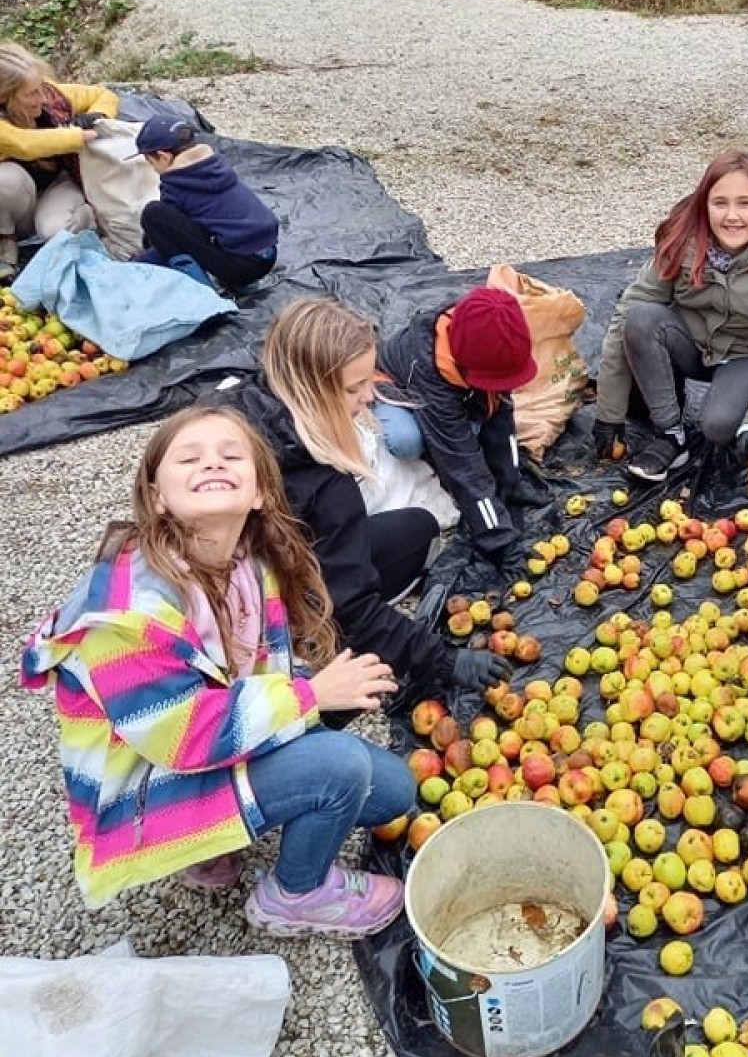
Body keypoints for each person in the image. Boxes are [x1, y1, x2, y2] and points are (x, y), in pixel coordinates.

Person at [22, 406, 415, 938]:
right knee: (340, 765)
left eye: (232, 455)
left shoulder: (249, 565)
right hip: (143, 789)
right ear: (157, 497)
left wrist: (310, 692)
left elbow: (255, 669)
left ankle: (216, 836)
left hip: (203, 745)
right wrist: (310, 696)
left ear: (259, 493)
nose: (213, 463)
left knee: (392, 792)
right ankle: (294, 895)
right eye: (189, 458)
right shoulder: (126, 615)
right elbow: (182, 736)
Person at [236, 298, 506, 717]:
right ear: (311, 387)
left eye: (368, 380)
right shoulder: (322, 483)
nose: (369, 398)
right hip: (254, 614)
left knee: (418, 527)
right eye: (353, 388)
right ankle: (304, 656)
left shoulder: (249, 402)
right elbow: (353, 605)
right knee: (358, 651)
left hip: (272, 568)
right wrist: (444, 659)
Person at [591, 149, 748, 484]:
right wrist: (608, 414)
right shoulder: (681, 239)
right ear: (705, 205)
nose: (732, 216)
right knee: (641, 318)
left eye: (745, 203)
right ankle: (671, 435)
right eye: (720, 203)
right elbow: (627, 313)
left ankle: (737, 405)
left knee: (719, 428)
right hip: (690, 344)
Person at [379, 285, 549, 587]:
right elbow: (462, 465)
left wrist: (510, 481)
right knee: (408, 441)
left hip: (456, 389)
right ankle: (412, 441)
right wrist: (499, 539)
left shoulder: (491, 334)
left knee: (482, 421)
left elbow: (501, 411)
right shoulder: (428, 366)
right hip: (392, 390)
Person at [0, 41, 121, 280]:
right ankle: (6, 240)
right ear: (6, 98)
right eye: (31, 94)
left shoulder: (52, 96)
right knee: (5, 179)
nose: (42, 98)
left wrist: (98, 115)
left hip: (57, 185)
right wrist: (78, 136)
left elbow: (103, 94)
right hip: (15, 204)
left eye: (41, 88)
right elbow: (24, 144)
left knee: (54, 231)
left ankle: (89, 216)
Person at [134, 116, 279, 291]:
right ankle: (239, 284)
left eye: (151, 163)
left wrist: (138, 265)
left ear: (163, 157)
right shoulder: (216, 165)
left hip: (240, 267)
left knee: (154, 215)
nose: (153, 169)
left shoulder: (175, 184)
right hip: (267, 255)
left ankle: (203, 291)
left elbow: (169, 238)